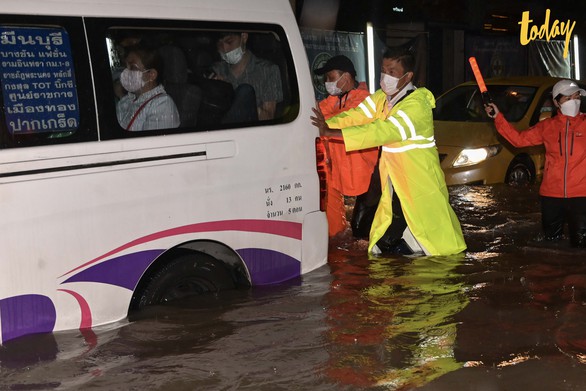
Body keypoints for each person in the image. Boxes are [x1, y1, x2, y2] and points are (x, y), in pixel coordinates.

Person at [311, 47, 466, 256]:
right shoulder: (382, 98)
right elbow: (357, 116)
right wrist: (322, 125)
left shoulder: (417, 105)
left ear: (407, 75)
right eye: (383, 70)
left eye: (392, 72)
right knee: (391, 243)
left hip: (418, 186)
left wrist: (331, 131)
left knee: (428, 245)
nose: (385, 77)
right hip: (396, 185)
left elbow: (384, 131)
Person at [485, 79, 586, 247]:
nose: (574, 101)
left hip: (582, 195)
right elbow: (518, 140)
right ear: (556, 102)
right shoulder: (547, 126)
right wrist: (498, 117)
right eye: (568, 98)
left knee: (581, 247)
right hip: (551, 196)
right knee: (551, 244)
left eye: (576, 97)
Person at [314, 55, 379, 238]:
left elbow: (346, 119)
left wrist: (324, 124)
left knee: (363, 232)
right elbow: (317, 114)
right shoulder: (333, 100)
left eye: (330, 77)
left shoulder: (365, 100)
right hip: (338, 173)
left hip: (366, 177)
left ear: (346, 77)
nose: (327, 82)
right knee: (336, 233)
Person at [212, 32, 283, 122]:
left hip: (251, 132)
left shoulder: (267, 70)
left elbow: (269, 117)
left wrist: (245, 104)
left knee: (245, 91)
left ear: (244, 37)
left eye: (229, 42)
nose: (225, 49)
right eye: (220, 44)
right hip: (222, 132)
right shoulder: (217, 69)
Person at [116, 44, 180, 131]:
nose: (126, 72)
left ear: (151, 75)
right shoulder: (128, 99)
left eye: (132, 67)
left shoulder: (162, 105)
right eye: (126, 66)